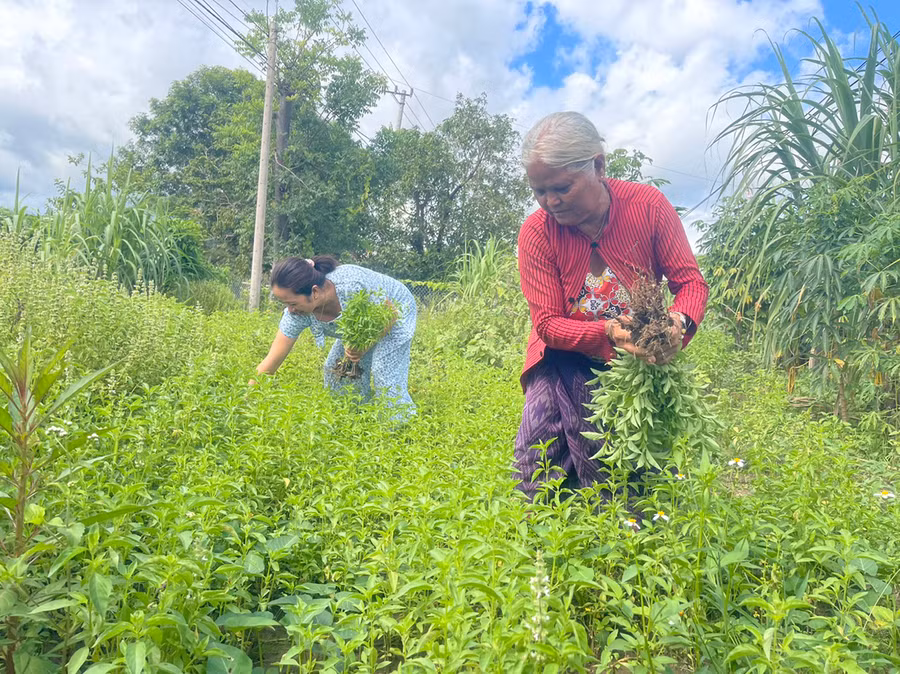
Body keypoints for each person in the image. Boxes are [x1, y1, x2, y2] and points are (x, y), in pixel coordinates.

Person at [514, 111, 709, 501]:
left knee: (632, 460)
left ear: (598, 165)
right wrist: (607, 332)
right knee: (540, 453)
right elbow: (549, 324)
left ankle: (632, 537)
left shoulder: (647, 206)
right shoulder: (537, 232)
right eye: (539, 191)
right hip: (562, 354)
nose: (550, 202)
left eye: (562, 188)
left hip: (635, 360)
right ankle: (547, 546)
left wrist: (676, 322)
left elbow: (690, 283)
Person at [254, 256, 417, 421]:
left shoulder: (352, 286)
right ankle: (353, 418)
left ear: (315, 292)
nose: (290, 310)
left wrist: (364, 346)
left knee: (383, 371)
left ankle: (400, 426)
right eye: (285, 304)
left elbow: (390, 314)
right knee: (337, 370)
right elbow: (271, 362)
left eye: (293, 303)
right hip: (363, 323)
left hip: (395, 310)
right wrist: (243, 399)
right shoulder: (296, 314)